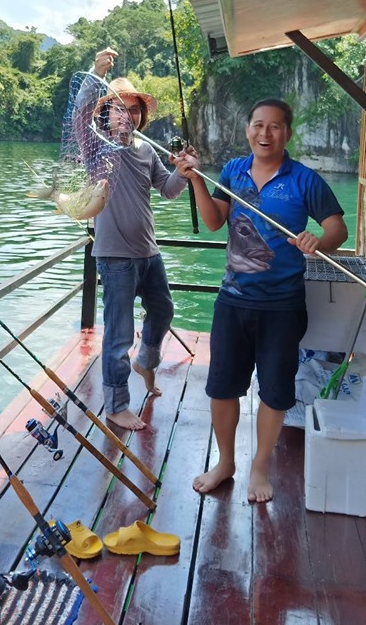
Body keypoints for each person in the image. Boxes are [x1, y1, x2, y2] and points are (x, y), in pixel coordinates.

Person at [176, 98, 348, 502]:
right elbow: (216, 221)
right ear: (248, 130)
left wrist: (318, 240)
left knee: (275, 391)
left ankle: (259, 468)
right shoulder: (234, 171)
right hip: (232, 300)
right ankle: (225, 462)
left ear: (287, 133)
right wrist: (197, 179)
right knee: (221, 388)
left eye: (274, 126)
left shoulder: (305, 179)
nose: (264, 133)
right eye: (257, 125)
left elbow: (336, 228)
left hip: (283, 306)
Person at [76, 47, 192, 431]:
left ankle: (146, 361)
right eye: (120, 108)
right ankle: (116, 404)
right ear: (107, 114)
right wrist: (96, 73)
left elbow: (168, 189)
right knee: (118, 334)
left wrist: (185, 171)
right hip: (114, 258)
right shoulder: (95, 147)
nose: (129, 115)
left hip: (149, 252)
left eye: (135, 109)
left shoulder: (145, 150)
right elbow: (80, 115)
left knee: (163, 311)